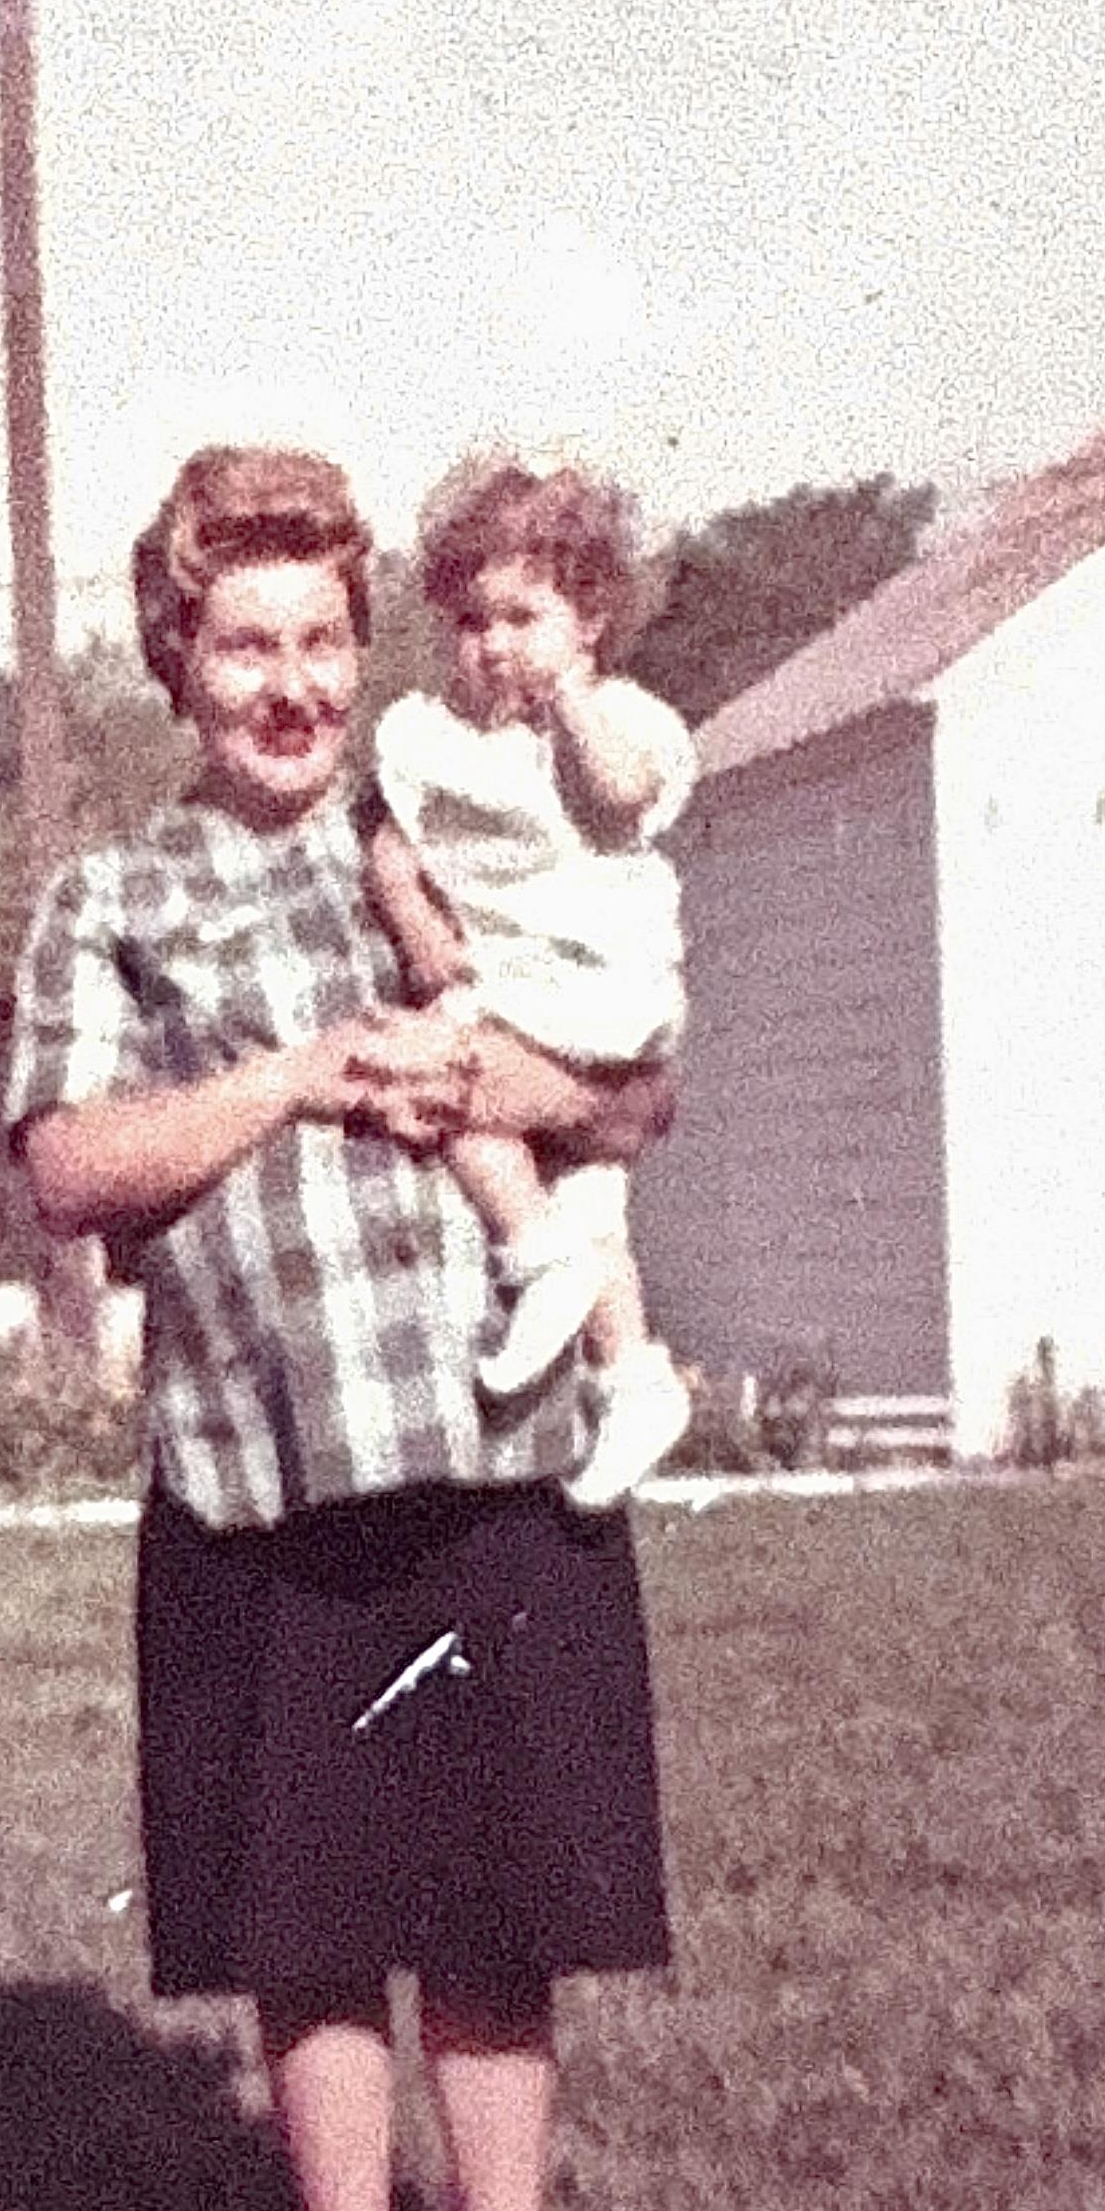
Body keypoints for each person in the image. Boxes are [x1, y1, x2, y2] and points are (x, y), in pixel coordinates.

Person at [6, 444, 674, 2211]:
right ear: (177, 663)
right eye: (245, 646)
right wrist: (297, 1077)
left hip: (496, 1452)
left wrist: (469, 1062)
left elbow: (634, 1096)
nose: (290, 684)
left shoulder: (456, 827)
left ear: (365, 648)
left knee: (497, 1907)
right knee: (310, 1927)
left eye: (322, 640)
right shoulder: (109, 900)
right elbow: (67, 1168)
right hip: (258, 1478)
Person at [365, 461, 696, 1510]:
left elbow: (626, 795)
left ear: (589, 619)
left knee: (443, 1079)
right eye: (470, 619)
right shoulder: (429, 735)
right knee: (595, 1195)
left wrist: (574, 705)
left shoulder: (619, 721)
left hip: (596, 986)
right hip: (508, 986)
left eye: (524, 616)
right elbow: (387, 842)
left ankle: (532, 1253)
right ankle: (635, 1376)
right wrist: (418, 926)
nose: (494, 644)